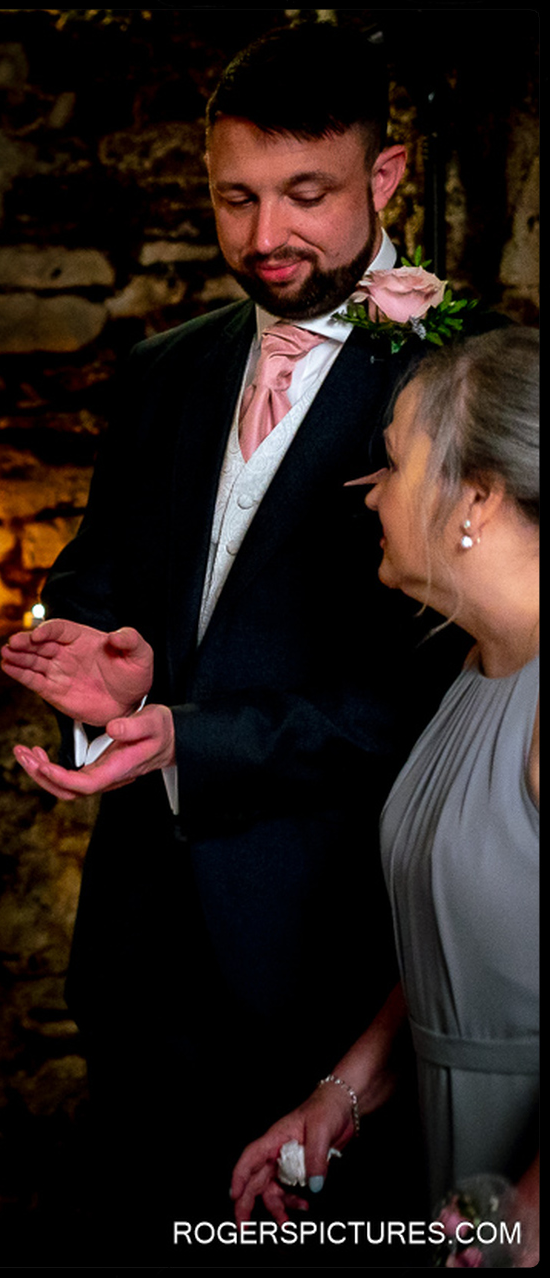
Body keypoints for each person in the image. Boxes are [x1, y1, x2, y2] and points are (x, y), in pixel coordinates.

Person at [0, 24, 469, 1253]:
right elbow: (94, 576)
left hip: (334, 958)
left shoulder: (459, 381)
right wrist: (100, 668)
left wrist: (190, 742)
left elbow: (428, 700)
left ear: (387, 176)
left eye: (306, 197)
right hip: (139, 952)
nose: (267, 239)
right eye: (236, 200)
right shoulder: (165, 371)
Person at [230, 328, 539, 1265]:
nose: (371, 491)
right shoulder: (478, 669)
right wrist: (346, 1092)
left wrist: (529, 1212)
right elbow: (474, 931)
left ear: (475, 497)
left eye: (394, 462)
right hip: (457, 1157)